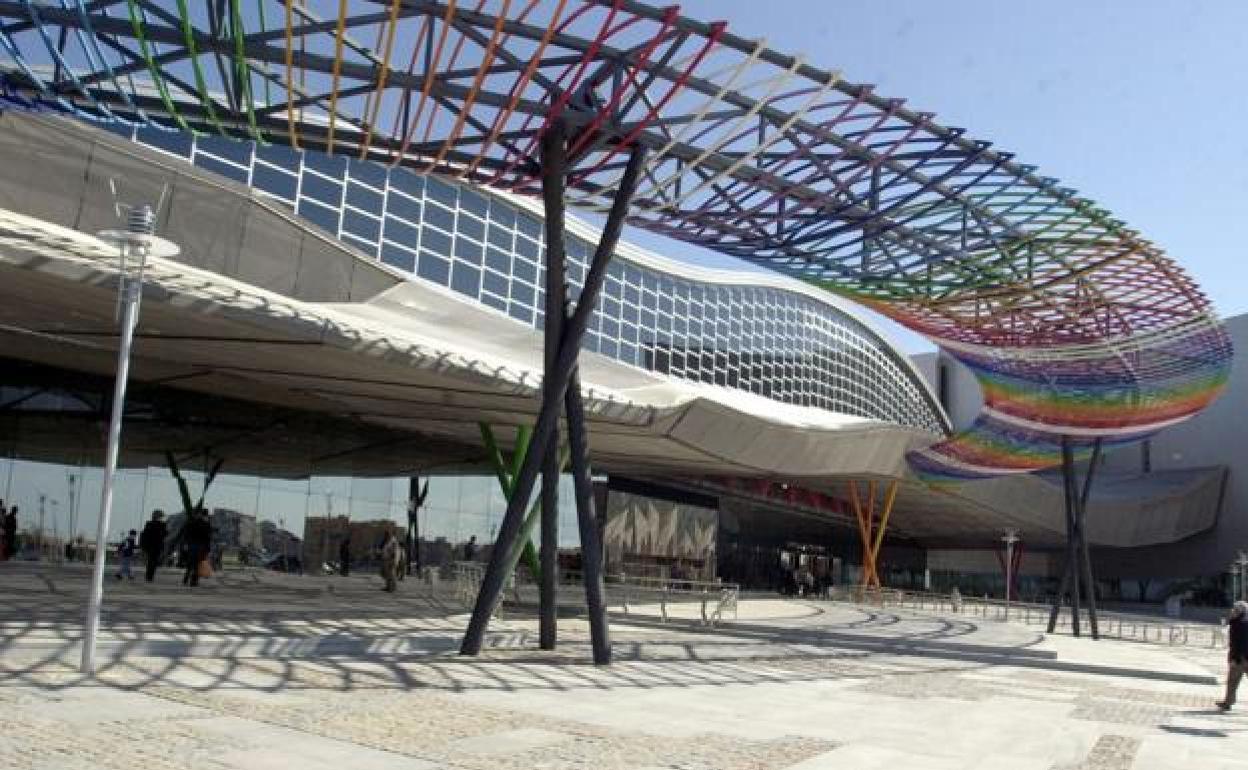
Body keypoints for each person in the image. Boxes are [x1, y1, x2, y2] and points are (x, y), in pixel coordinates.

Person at [1217, 601, 1248, 710]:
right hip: (1241, 657)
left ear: (1240, 611)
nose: (1232, 611)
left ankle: (1228, 702)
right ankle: (1228, 701)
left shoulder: (1241, 624)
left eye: (1235, 609)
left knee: (1232, 680)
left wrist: (1236, 658)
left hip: (1242, 658)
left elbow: (1240, 643)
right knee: (1232, 681)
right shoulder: (1237, 622)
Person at [181, 509, 213, 588]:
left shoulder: (192, 523)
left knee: (191, 563)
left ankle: (186, 578)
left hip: (192, 545)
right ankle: (193, 581)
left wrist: (186, 544)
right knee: (197, 564)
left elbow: (186, 534)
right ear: (205, 515)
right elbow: (208, 537)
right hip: (201, 546)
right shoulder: (206, 524)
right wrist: (208, 548)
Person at [139, 510, 167, 582]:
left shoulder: (149, 524)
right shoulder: (162, 525)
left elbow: (145, 535)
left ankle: (148, 576)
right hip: (157, 545)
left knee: (150, 561)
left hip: (149, 545)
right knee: (154, 561)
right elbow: (164, 534)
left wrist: (143, 545)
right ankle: (150, 576)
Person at [380, 526, 402, 593]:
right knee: (387, 574)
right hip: (387, 559)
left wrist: (393, 558)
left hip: (391, 560)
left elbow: (395, 551)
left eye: (386, 534)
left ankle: (392, 587)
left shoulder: (393, 541)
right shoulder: (388, 541)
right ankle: (389, 586)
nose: (385, 536)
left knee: (391, 574)